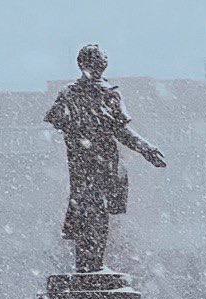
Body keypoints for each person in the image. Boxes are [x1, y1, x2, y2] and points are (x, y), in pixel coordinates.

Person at [45, 44, 166, 272]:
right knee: (92, 210)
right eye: (96, 63)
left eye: (100, 63)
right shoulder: (80, 94)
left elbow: (120, 131)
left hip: (96, 160)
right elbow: (118, 131)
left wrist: (145, 148)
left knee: (92, 210)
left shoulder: (96, 94)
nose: (99, 68)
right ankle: (90, 267)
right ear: (86, 65)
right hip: (89, 159)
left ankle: (90, 266)